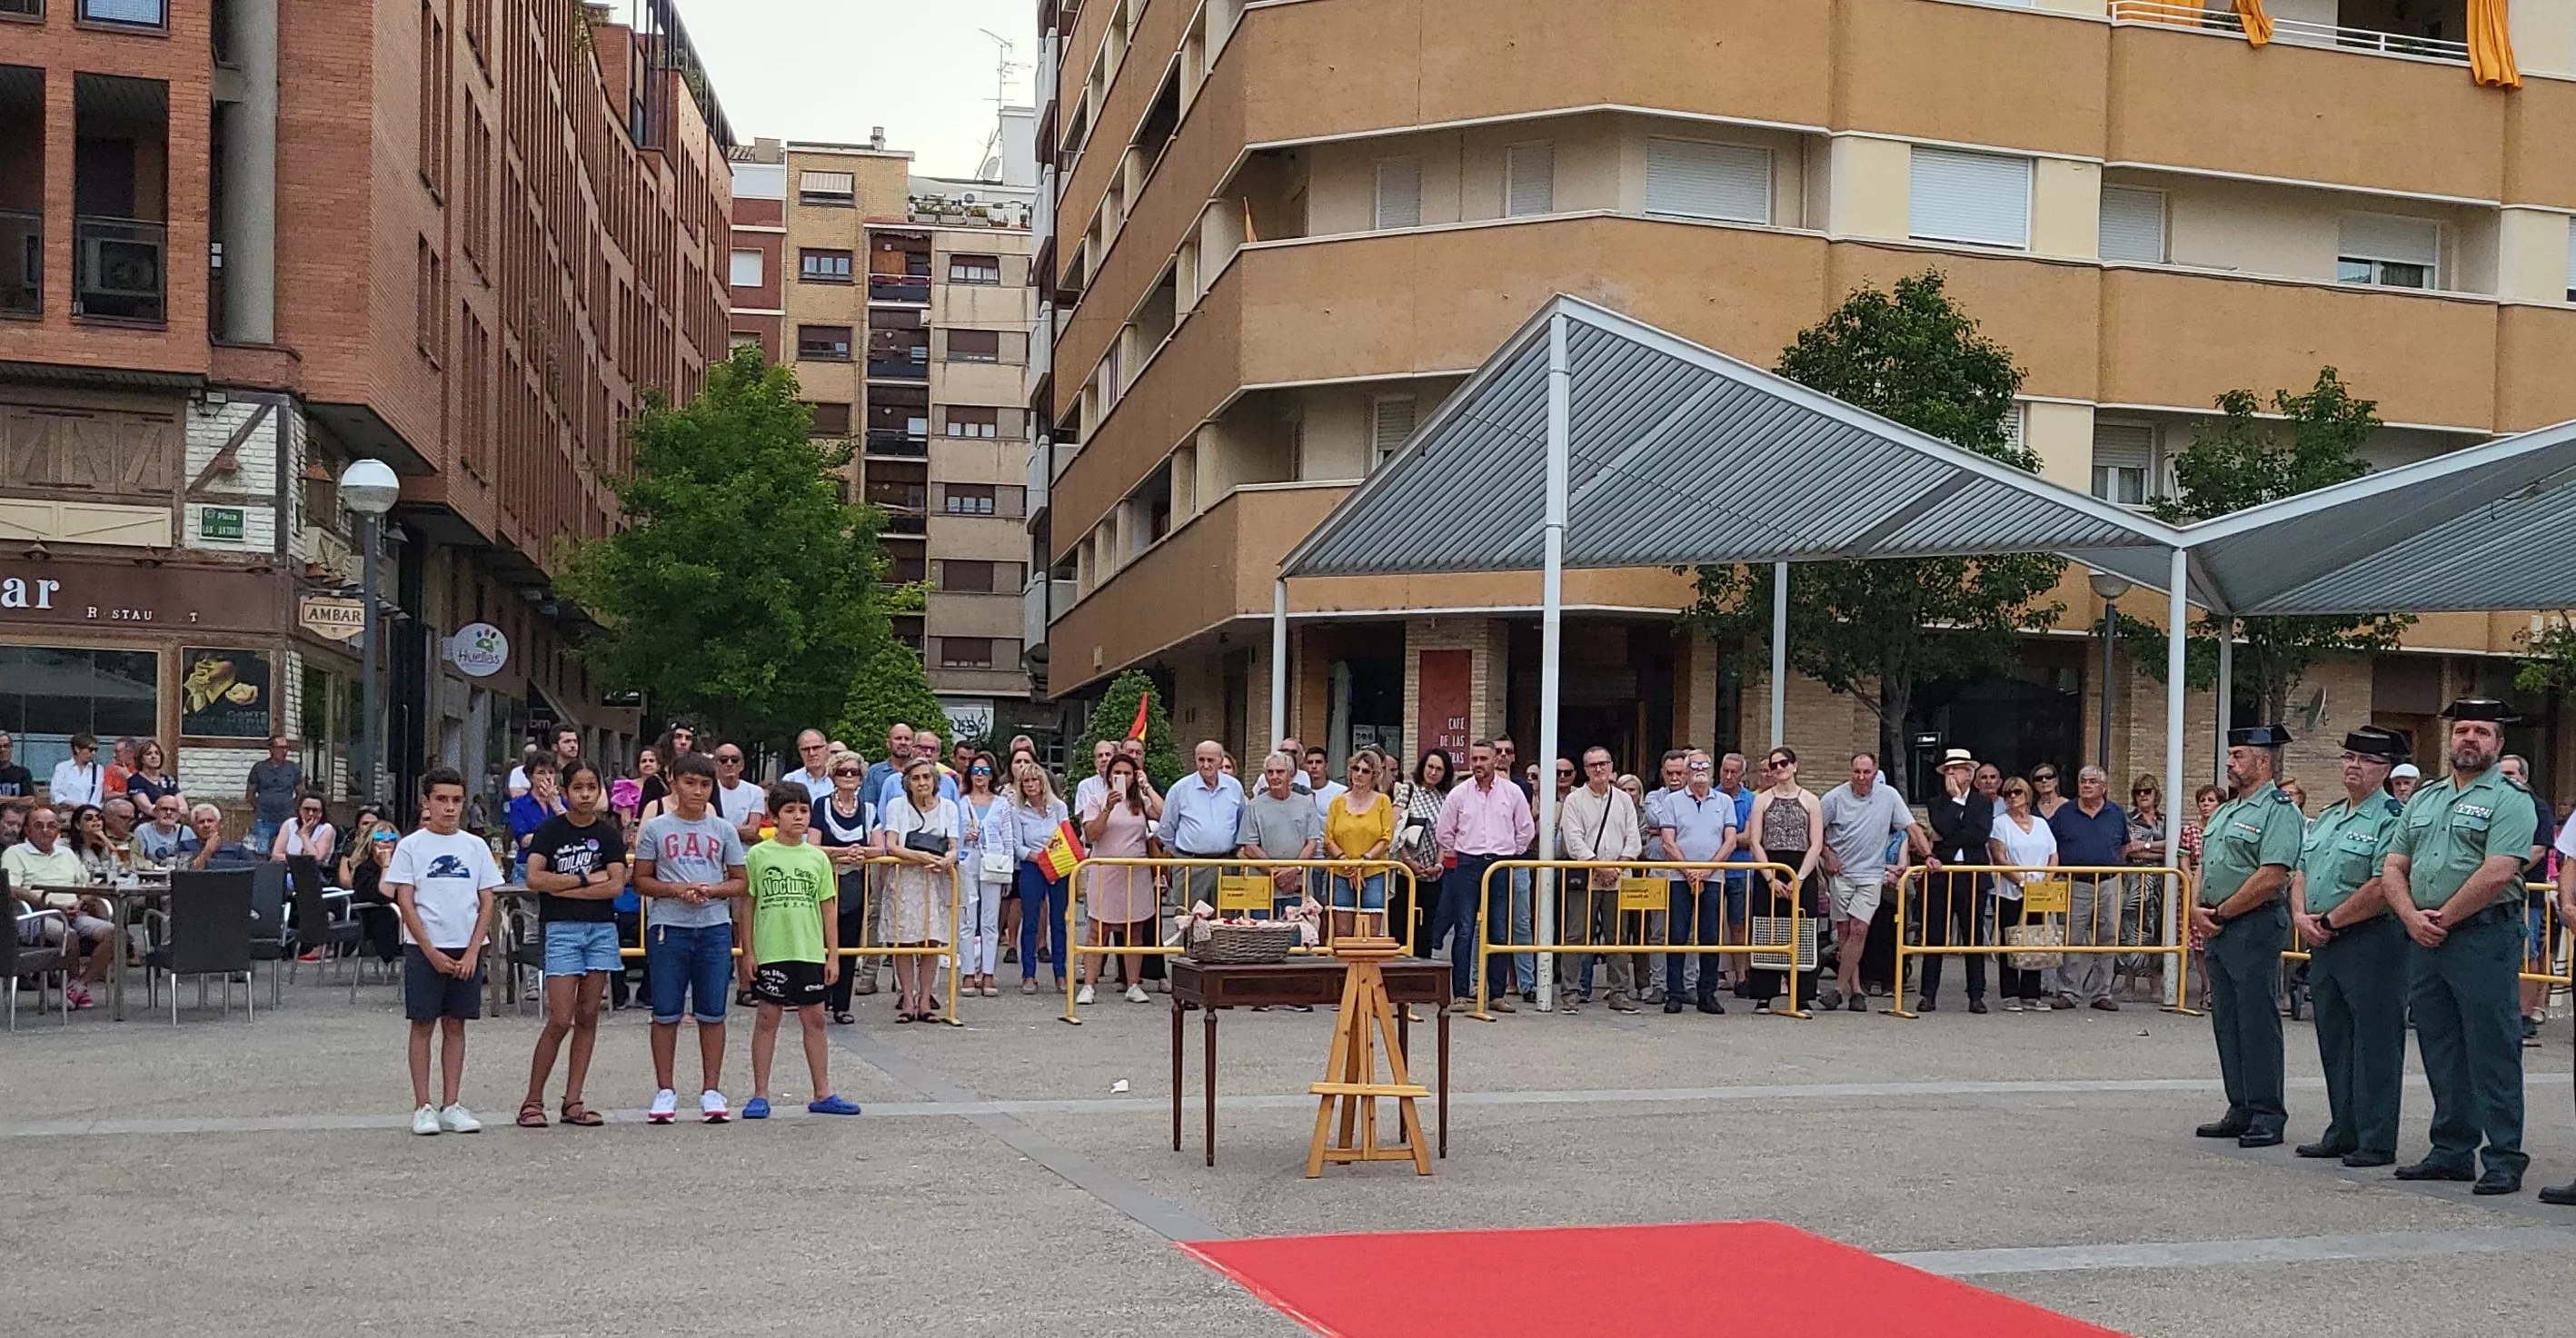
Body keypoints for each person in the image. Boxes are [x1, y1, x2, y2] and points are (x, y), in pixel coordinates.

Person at [2384, 699, 2537, 1196]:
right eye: (2463, 730)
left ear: (2498, 744)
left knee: (2492, 1047)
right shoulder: (2424, 800)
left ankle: (2504, 1156)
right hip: (2426, 938)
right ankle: (2451, 1149)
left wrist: (2441, 918)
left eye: (2483, 732)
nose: (2470, 738)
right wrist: (2411, 917)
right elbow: (2393, 865)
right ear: (2451, 739)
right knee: (2440, 1044)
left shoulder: (2510, 800)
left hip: (2483, 938)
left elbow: (2499, 871)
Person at [2289, 728, 2410, 1169]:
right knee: (2335, 1039)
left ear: (2385, 768)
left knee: (2375, 1041)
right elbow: (2302, 868)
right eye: (2348, 757)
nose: (2352, 766)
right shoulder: (2330, 815)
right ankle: (2343, 1128)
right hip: (2323, 939)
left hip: (2371, 938)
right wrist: (2302, 917)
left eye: (2365, 759)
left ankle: (2377, 1137)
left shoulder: (2393, 817)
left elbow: (2382, 884)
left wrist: (2331, 920)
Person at [2190, 725, 2303, 1150]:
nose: (2230, 764)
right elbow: (2205, 862)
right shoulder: (2224, 810)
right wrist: (2196, 907)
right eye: (2230, 756)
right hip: (2219, 925)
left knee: (2256, 1021)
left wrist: (2221, 911)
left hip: (2253, 924)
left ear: (2263, 760)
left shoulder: (2278, 810)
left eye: (2238, 756)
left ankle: (2267, 1112)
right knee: (2228, 1020)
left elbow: (2271, 874)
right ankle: (2239, 1106)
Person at [634, 751, 750, 1125]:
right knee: (666, 1011)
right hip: (669, 925)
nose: (697, 792)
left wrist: (713, 891)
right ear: (674, 783)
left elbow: (739, 881)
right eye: (690, 783)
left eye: (704, 785)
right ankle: (664, 1089)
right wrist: (676, 889)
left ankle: (711, 1088)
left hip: (713, 926)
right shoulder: (656, 828)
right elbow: (641, 879)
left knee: (712, 1011)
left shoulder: (723, 830)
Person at [388, 767, 503, 1135]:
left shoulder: (475, 846)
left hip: (465, 944)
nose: (450, 808)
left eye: (456, 800)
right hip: (425, 945)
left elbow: (487, 901)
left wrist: (473, 951)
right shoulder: (410, 846)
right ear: (427, 802)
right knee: (423, 1023)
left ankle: (451, 1102)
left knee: (456, 1024)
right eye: (442, 799)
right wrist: (429, 950)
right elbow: (406, 901)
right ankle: (422, 1104)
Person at [738, 785, 862, 1117]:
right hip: (772, 949)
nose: (798, 817)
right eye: (790, 810)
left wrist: (833, 954)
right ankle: (760, 1093)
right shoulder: (759, 855)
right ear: (775, 815)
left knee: (815, 1018)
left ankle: (822, 1092)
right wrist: (748, 952)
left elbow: (828, 908)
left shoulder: (817, 858)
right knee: (767, 1017)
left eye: (803, 811)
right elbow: (747, 905)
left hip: (808, 950)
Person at [515, 760, 626, 1129]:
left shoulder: (609, 834)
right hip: (562, 926)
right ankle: (532, 1100)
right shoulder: (550, 830)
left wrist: (563, 881)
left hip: (600, 929)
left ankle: (573, 1099)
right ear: (565, 790)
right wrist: (582, 877)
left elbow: (615, 885)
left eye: (591, 787)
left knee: (589, 1014)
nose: (584, 794)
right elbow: (535, 879)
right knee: (560, 1017)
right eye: (577, 787)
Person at [1434, 740, 1535, 1013]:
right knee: (1464, 928)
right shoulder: (1459, 793)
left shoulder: (1512, 792)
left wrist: (1512, 851)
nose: (1478, 764)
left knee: (1499, 930)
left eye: (1483, 759)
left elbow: (1525, 828)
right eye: (1474, 758)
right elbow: (1444, 830)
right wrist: (1459, 851)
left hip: (1500, 864)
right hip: (1467, 864)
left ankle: (1497, 995)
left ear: (1494, 761)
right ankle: (1461, 994)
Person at [1816, 753, 1920, 1014]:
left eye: (1866, 772)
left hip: (1871, 874)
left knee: (1859, 929)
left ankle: (1839, 989)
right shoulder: (1833, 799)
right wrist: (1827, 855)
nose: (1861, 777)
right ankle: (1857, 991)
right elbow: (1815, 832)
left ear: (1875, 773)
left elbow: (1911, 827)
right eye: (1856, 772)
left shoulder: (1889, 796)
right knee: (1844, 935)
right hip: (1842, 874)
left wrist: (1928, 855)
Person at [1553, 748, 1641, 1013]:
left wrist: (1617, 868)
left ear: (1611, 766)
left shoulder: (1624, 800)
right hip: (1586, 876)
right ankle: (1571, 992)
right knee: (1576, 936)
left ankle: (1619, 993)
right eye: (1592, 765)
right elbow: (1574, 840)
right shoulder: (1575, 801)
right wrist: (1600, 867)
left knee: (1618, 937)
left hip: (1618, 878)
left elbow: (1633, 839)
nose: (1598, 769)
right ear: (1586, 770)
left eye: (1603, 764)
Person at [879, 757, 961, 1021]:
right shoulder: (896, 806)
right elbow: (891, 845)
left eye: (926, 777)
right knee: (904, 940)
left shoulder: (948, 807)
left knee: (931, 940)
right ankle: (906, 999)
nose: (922, 783)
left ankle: (925, 1000)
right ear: (907, 783)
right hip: (906, 878)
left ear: (935, 780)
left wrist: (949, 858)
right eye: (916, 778)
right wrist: (920, 857)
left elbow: (954, 845)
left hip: (936, 879)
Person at [1742, 749, 1825, 1014]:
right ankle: (1764, 993)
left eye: (1784, 763)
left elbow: (1816, 843)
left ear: (1795, 765)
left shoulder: (1811, 800)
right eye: (1774, 765)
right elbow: (1755, 840)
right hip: (1771, 867)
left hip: (1801, 868)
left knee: (1802, 931)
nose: (1779, 768)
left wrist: (1799, 878)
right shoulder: (1762, 800)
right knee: (1767, 928)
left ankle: (1801, 993)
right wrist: (1770, 878)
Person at [6, 806, 112, 1007]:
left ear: (58, 831)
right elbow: (12, 889)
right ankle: (73, 987)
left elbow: (86, 886)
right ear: (27, 830)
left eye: (51, 826)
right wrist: (50, 904)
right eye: (39, 826)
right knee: (67, 934)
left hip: (73, 911)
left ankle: (78, 986)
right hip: (37, 916)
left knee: (115, 934)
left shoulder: (66, 854)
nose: (46, 830)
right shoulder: (15, 853)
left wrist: (80, 902)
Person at [1659, 748, 1737, 1016]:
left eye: (1705, 765)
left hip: (1713, 878)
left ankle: (1707, 994)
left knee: (1710, 936)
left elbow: (1730, 840)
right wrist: (1688, 870)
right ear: (1687, 770)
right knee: (1677, 935)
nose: (1700, 770)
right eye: (1694, 765)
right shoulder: (1672, 801)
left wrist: (1707, 870)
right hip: (1680, 879)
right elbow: (1668, 840)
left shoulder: (1724, 801)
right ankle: (1675, 994)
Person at [1076, 753, 1159, 1006]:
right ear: (1108, 775)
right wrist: (1108, 808)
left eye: (1127, 773)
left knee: (1135, 931)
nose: (1121, 777)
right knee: (1097, 931)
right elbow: (1091, 834)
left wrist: (1146, 786)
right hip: (1105, 872)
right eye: (1117, 773)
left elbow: (1164, 814)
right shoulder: (1096, 800)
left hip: (1136, 873)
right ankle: (1089, 984)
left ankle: (1133, 983)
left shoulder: (1140, 802)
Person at [2047, 766, 2132, 1012]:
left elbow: (2123, 847)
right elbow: (2052, 844)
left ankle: (2101, 993)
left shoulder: (2115, 812)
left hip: (2108, 882)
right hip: (2076, 883)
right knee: (2071, 938)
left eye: (2092, 782)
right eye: (2082, 781)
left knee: (2107, 937)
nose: (2086, 785)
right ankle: (2069, 991)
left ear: (2104, 786)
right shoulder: (2065, 813)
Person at [1918, 748, 1993, 1015]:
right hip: (1942, 874)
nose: (1950, 774)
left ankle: (1976, 995)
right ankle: (1928, 994)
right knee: (1934, 934)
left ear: (1969, 773)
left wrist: (1949, 834)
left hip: (1972, 873)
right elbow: (1942, 826)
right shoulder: (1937, 802)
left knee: (1973, 936)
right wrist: (1956, 804)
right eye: (1947, 770)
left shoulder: (1984, 803)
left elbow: (1979, 835)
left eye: (1956, 769)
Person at [814, 748, 881, 1023]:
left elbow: (880, 847)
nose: (849, 776)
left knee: (849, 942)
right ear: (833, 775)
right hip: (826, 880)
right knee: (821, 941)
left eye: (854, 772)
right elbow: (813, 844)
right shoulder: (821, 805)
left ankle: (842, 1004)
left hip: (855, 881)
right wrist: (842, 853)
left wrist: (861, 853)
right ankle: (820, 998)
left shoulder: (868, 809)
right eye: (843, 771)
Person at [1987, 777, 2062, 1012]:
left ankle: (2031, 993)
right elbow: (1999, 856)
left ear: (2027, 795)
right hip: (2010, 890)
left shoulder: (2041, 824)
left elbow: (2053, 854)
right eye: (2008, 793)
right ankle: (2010, 993)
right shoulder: (2000, 823)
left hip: (2039, 891)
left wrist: (2046, 882)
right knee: (2010, 939)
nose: (2012, 797)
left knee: (2035, 939)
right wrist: (2020, 882)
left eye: (2017, 792)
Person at [1158, 739, 1248, 924]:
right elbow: (1166, 829)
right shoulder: (1180, 789)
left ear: (1220, 760)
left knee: (1225, 921)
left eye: (1210, 760)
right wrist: (1183, 856)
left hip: (1226, 863)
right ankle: (1187, 953)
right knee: (1189, 919)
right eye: (1201, 760)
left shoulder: (1234, 787)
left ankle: (1222, 954)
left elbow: (1242, 823)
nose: (1205, 765)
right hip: (1191, 864)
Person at [2498, 753, 2554, 1045]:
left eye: (2511, 774)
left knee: (2528, 954)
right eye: (2502, 774)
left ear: (2524, 777)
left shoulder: (2538, 808)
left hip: (2528, 895)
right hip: (2495, 897)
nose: (2506, 779)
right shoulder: (2496, 805)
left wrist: (2504, 871)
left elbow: (2539, 849)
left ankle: (2525, 1016)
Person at [1237, 749, 1323, 933]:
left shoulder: (1306, 803)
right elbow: (1250, 847)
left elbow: (1312, 842)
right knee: (1261, 940)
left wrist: (1294, 871)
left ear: (1290, 774)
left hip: (1297, 886)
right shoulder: (1254, 805)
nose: (1274, 777)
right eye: (1270, 772)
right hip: (1262, 887)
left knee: (1297, 941)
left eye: (1280, 772)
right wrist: (1279, 875)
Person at [1010, 763, 1073, 996]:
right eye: (1026, 782)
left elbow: (1066, 835)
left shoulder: (1059, 807)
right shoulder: (1017, 811)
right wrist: (1040, 858)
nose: (1030, 785)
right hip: (1032, 864)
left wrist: (1054, 859)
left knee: (1058, 920)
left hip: (1059, 864)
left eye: (1034, 781)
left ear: (1043, 783)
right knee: (1031, 919)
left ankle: (1060, 973)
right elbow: (1017, 845)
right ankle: (1029, 974)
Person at [1324, 749, 1396, 945]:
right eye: (1356, 768)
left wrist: (1364, 861)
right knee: (1342, 931)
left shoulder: (1383, 801)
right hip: (1342, 871)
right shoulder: (1338, 802)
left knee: (1371, 932)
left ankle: (1368, 973)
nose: (1359, 774)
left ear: (1374, 775)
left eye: (1365, 770)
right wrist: (1344, 861)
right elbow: (1329, 838)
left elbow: (1386, 837)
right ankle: (1341, 973)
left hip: (1373, 872)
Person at [956, 756, 1013, 999]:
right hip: (968, 860)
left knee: (990, 920)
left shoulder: (1001, 804)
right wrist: (962, 837)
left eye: (985, 770)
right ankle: (968, 971)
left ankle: (988, 972)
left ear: (992, 775)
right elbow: (952, 833)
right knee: (967, 918)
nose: (980, 775)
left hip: (993, 861)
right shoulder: (961, 802)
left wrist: (1008, 872)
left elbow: (1008, 838)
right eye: (975, 770)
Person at [1391, 748, 1454, 958]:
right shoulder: (1407, 790)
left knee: (1426, 928)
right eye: (1430, 766)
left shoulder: (1445, 798)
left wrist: (1439, 864)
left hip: (1432, 874)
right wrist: (1408, 861)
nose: (1433, 772)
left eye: (1439, 769)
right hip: (1405, 871)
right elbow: (1394, 829)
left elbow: (1446, 834)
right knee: (1400, 925)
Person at [2123, 774, 2171, 1002]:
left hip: (2161, 881)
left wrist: (2145, 845)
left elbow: (2173, 845)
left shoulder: (2165, 820)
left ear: (2156, 794)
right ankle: (2129, 982)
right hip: (2134, 880)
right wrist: (2153, 848)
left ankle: (2156, 982)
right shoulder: (2128, 820)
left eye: (2147, 791)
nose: (2142, 796)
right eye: (2138, 792)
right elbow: (2128, 848)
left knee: (2158, 929)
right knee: (2132, 928)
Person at [338, 812, 403, 964]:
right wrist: (386, 864)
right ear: (371, 842)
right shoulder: (365, 869)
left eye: (391, 838)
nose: (386, 842)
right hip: (381, 923)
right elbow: (384, 895)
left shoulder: (402, 866)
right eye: (380, 838)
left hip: (402, 919)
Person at [506, 758, 566, 877]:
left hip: (559, 866)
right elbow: (524, 840)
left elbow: (572, 829)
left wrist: (555, 804)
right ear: (530, 777)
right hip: (527, 866)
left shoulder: (562, 802)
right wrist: (556, 834)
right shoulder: (519, 804)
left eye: (551, 772)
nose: (548, 777)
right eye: (541, 773)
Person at [243, 736, 301, 854]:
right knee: (261, 850)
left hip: (287, 818)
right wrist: (258, 807)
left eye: (286, 748)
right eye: (280, 748)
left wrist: (293, 808)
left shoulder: (294, 768)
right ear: (271, 749)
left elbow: (301, 792)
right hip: (265, 818)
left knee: (287, 850)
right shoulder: (259, 768)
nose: (284, 751)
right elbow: (250, 793)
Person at [710, 743, 769, 848]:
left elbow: (752, 831)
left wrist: (721, 829)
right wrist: (739, 830)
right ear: (715, 765)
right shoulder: (709, 790)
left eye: (734, 760)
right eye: (723, 760)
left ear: (742, 765)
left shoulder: (755, 792)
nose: (729, 764)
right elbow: (708, 829)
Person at [178, 803, 263, 869]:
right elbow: (187, 874)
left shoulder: (237, 849)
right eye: (201, 822)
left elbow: (256, 871)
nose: (206, 825)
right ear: (194, 827)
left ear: (219, 824)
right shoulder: (185, 847)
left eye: (210, 821)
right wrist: (207, 851)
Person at [509, 727, 582, 798]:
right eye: (567, 741)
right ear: (555, 747)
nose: (573, 745)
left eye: (575, 741)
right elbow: (517, 798)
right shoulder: (520, 772)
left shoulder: (583, 771)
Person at [274, 793, 338, 866]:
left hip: (314, 872)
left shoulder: (327, 829)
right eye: (306, 809)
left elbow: (316, 858)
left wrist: (304, 835)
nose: (311, 814)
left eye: (315, 810)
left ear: (321, 813)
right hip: (287, 868)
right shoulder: (290, 824)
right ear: (300, 810)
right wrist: (298, 861)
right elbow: (276, 854)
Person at [67, 803, 124, 885]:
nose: (95, 820)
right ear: (78, 825)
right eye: (89, 818)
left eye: (99, 817)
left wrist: (105, 839)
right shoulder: (66, 846)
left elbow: (120, 867)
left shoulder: (102, 846)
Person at [50, 733, 105, 808]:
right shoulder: (62, 767)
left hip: (91, 811)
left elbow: (97, 795)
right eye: (91, 749)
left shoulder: (98, 769)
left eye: (96, 750)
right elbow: (56, 794)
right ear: (77, 749)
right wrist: (73, 804)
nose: (93, 753)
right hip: (68, 811)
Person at [135, 793, 187, 868]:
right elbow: (137, 859)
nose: (169, 813)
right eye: (164, 809)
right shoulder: (143, 831)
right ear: (155, 812)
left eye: (173, 810)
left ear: (179, 814)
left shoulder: (185, 831)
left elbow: (192, 860)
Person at [783, 729, 834, 802]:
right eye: (806, 749)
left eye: (816, 748)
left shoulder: (838, 779)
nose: (811, 753)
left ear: (827, 749)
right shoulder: (790, 780)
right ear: (799, 752)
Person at [124, 741, 176, 805]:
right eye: (148, 754)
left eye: (157, 753)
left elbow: (182, 805)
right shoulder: (135, 780)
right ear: (141, 759)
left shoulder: (168, 780)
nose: (154, 756)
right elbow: (147, 808)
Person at [1303, 745, 1348, 818]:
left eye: (1318, 762)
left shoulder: (1341, 792)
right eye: (1310, 762)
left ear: (1326, 766)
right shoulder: (1299, 791)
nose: (1314, 766)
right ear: (1305, 766)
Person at [0, 729, 33, 798]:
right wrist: (18, 800)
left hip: (16, 808)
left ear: (11, 748)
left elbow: (29, 800)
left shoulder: (23, 773)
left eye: (6, 746)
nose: (2, 750)